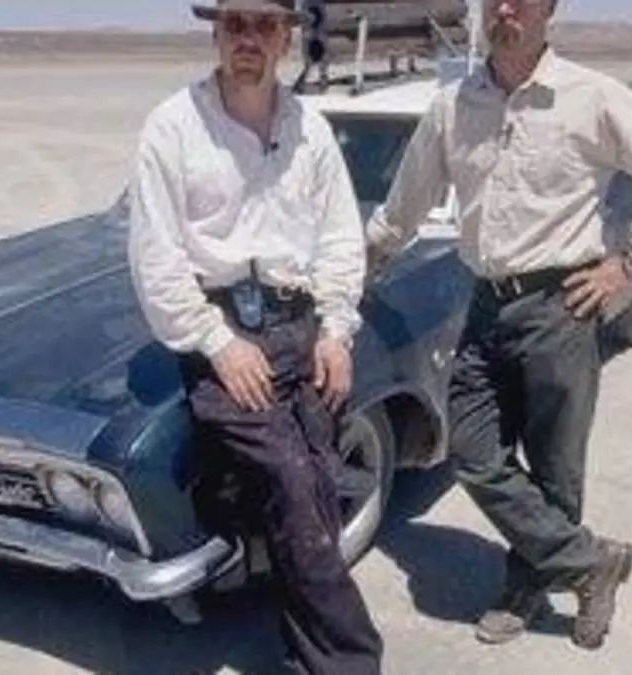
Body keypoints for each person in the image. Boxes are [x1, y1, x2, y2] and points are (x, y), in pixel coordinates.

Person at [366, 0, 632, 652]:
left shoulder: (591, 97)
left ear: (549, 9)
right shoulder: (454, 105)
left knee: (555, 469)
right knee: (472, 453)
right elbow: (406, 203)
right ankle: (591, 562)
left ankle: (526, 585)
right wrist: (363, 263)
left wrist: (628, 264)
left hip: (562, 306)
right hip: (484, 303)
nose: (505, 9)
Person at [126, 1, 383, 673]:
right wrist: (217, 342)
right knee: (294, 486)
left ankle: (304, 656)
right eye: (235, 23)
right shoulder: (173, 126)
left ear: (286, 37)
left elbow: (339, 238)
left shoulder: (310, 129)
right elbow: (155, 258)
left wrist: (336, 330)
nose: (249, 38)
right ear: (215, 33)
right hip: (226, 336)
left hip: (302, 327)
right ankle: (354, 662)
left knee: (315, 492)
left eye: (264, 25)